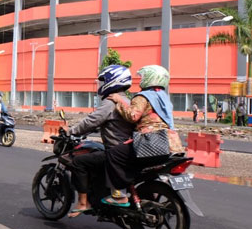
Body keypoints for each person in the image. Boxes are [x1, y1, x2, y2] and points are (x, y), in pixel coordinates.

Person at [104, 65, 184, 206]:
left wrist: (119, 101)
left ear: (150, 78)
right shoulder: (163, 97)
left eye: (142, 77)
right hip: (171, 144)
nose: (140, 80)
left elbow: (133, 116)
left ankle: (119, 195)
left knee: (114, 154)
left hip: (150, 142)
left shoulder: (143, 97)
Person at [67, 65, 134, 218]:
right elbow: (110, 124)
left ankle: (83, 203)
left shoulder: (110, 102)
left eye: (104, 80)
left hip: (116, 150)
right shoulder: (127, 101)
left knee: (78, 162)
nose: (101, 84)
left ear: (113, 80)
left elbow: (92, 120)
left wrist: (71, 131)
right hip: (128, 149)